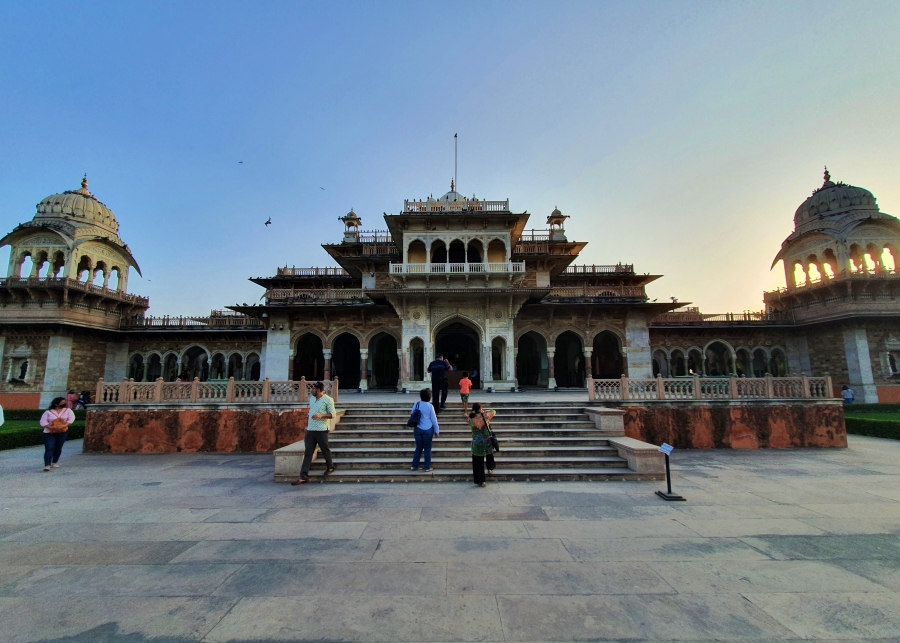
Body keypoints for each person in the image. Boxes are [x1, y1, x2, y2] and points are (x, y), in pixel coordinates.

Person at [292, 381, 336, 485]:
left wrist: (321, 416)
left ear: (319, 390)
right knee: (308, 452)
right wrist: (307, 426)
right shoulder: (312, 399)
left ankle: (330, 467)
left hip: (321, 430)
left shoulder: (328, 400)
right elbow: (310, 412)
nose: (312, 391)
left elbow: (333, 415)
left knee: (325, 450)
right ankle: (303, 476)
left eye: (314, 389)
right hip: (311, 430)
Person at [39, 397, 75, 472]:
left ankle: (54, 461)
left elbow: (71, 419)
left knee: (58, 448)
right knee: (49, 448)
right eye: (62, 402)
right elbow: (43, 422)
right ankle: (47, 465)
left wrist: (64, 425)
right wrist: (51, 427)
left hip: (62, 432)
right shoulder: (48, 412)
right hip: (49, 432)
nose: (63, 403)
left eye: (64, 402)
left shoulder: (68, 411)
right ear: (56, 403)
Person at [410, 388, 440, 472]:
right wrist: (437, 431)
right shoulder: (430, 406)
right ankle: (427, 467)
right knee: (427, 448)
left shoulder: (416, 404)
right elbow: (434, 419)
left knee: (418, 447)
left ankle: (414, 465)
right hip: (428, 429)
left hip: (418, 428)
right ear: (429, 396)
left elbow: (412, 414)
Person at [468, 402, 496, 487]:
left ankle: (481, 481)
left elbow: (467, 420)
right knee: (489, 454)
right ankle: (490, 468)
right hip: (486, 440)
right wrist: (484, 411)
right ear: (480, 409)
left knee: (478, 462)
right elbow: (494, 411)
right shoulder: (486, 416)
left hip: (477, 443)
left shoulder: (471, 418)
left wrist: (473, 413)